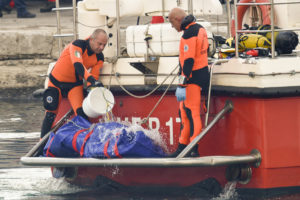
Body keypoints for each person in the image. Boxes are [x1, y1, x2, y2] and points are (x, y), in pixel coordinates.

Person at [40, 28, 108, 139]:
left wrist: (93, 88)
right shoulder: (78, 45)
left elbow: (94, 78)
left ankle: (87, 141)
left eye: (104, 45)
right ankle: (41, 145)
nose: (101, 48)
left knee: (82, 114)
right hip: (56, 83)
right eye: (99, 44)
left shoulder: (99, 57)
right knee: (50, 114)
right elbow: (78, 66)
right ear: (91, 39)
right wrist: (92, 80)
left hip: (74, 86)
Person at [168, 8, 210, 157]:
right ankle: (183, 147)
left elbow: (189, 60)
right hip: (200, 76)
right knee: (184, 113)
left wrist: (182, 84)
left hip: (192, 79)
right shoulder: (200, 29)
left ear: (177, 20)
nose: (173, 27)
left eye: (172, 23)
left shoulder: (189, 33)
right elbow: (206, 51)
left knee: (191, 114)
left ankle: (193, 148)